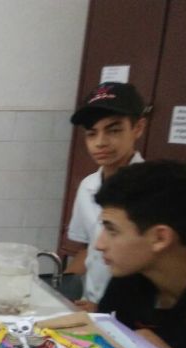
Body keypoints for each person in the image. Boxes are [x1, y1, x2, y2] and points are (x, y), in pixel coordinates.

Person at [95, 160, 186, 348]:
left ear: (160, 238)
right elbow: (98, 344)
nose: (99, 244)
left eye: (112, 230)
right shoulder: (130, 277)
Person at [66, 82, 147, 310]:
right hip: (90, 305)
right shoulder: (88, 186)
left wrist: (105, 308)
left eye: (113, 130)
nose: (100, 142)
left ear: (138, 128)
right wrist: (61, 287)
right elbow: (88, 249)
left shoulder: (154, 190)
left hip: (133, 315)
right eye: (92, 133)